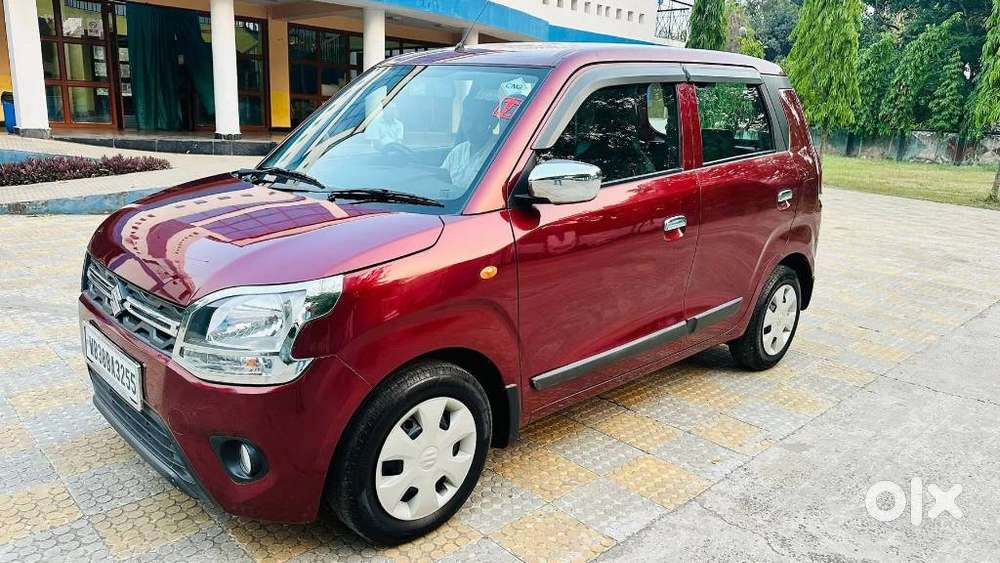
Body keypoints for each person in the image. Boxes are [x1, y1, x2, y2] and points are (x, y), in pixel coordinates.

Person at [441, 100, 496, 191]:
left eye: (478, 121)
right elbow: (441, 178)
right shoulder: (458, 151)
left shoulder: (496, 155)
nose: (470, 127)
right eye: (467, 120)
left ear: (492, 123)